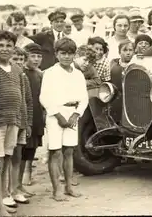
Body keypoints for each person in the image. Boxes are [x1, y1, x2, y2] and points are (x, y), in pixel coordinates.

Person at [39, 37, 88, 201]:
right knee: (56, 152)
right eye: (63, 53)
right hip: (55, 115)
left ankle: (68, 186)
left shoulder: (78, 74)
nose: (66, 57)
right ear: (56, 54)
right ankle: (57, 190)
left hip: (72, 113)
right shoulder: (50, 73)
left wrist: (76, 114)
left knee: (69, 151)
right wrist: (58, 116)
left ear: (74, 55)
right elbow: (44, 97)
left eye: (70, 54)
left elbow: (84, 98)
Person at [0, 31, 29, 216]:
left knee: (5, 161)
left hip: (13, 122)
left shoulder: (17, 70)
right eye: (1, 45)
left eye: (8, 45)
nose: (5, 49)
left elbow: (21, 98)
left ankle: (1, 200)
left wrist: (22, 121)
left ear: (13, 48)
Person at [19, 44, 45, 190]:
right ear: (26, 56)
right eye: (32, 56)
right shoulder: (21, 72)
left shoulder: (40, 74)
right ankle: (16, 182)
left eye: (39, 56)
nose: (36, 60)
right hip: (24, 115)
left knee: (32, 147)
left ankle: (27, 173)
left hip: (36, 115)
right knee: (20, 149)